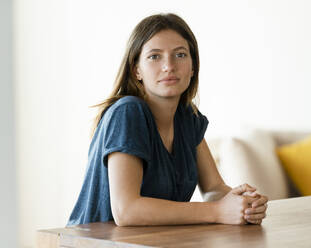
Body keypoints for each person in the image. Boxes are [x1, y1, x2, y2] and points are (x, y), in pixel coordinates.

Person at [67, 13, 268, 226]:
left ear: (193, 68)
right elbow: (126, 211)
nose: (169, 66)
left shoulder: (188, 117)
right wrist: (217, 212)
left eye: (180, 55)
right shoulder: (128, 112)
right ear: (136, 70)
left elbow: (213, 189)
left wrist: (243, 205)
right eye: (155, 56)